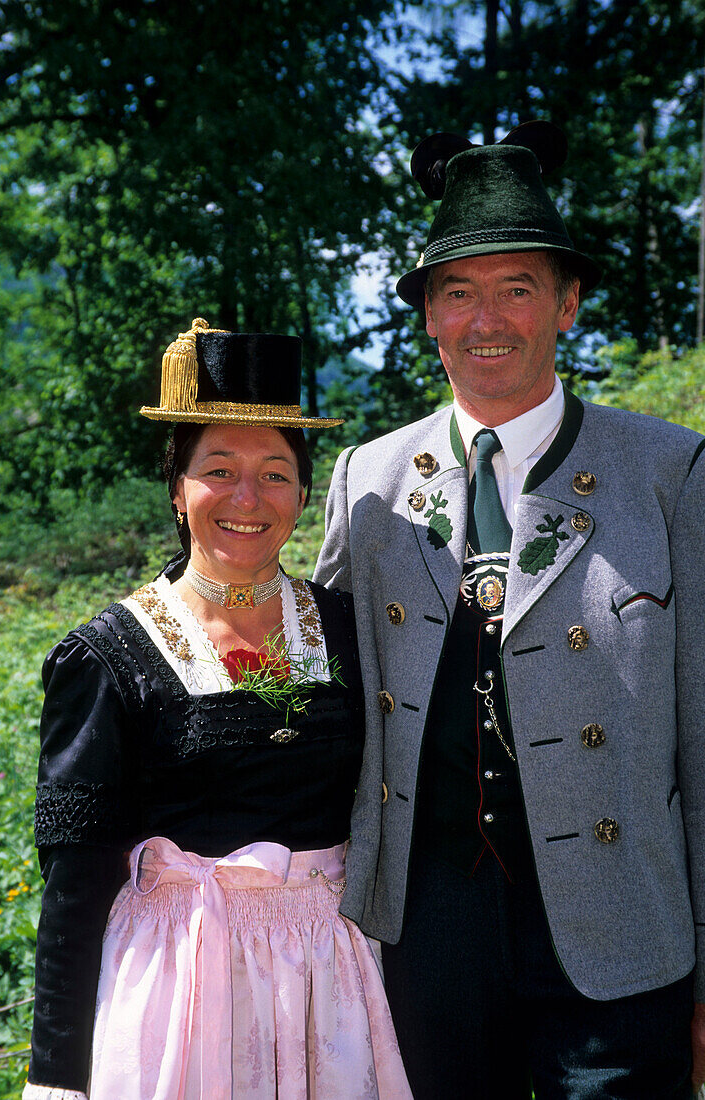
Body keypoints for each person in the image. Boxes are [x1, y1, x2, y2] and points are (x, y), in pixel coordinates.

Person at [313, 120, 705, 1098]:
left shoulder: (667, 473)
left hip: (625, 930)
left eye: (517, 287)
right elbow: (326, 708)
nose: (486, 317)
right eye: (458, 292)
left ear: (568, 303)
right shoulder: (368, 478)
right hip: (429, 935)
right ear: (429, 319)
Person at [24, 320, 411, 1100]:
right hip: (179, 990)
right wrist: (56, 1077)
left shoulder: (348, 628)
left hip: (331, 988)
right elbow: (76, 882)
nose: (247, 497)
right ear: (177, 487)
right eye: (219, 469)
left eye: (275, 472)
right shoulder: (107, 656)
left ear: (304, 494)